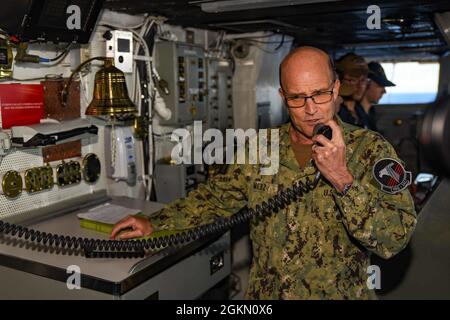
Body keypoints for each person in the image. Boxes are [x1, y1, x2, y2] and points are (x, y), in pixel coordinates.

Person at [111, 46, 417, 300]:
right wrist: (156, 223)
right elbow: (214, 200)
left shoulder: (370, 150)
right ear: (283, 97)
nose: (310, 109)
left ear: (336, 89)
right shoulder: (261, 148)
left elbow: (394, 239)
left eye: (320, 94)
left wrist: (343, 180)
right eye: (298, 98)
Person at [336, 53, 371, 129]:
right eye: (353, 79)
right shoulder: (335, 112)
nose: (360, 86)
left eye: (363, 80)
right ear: (339, 80)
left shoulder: (361, 111)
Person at [359, 62, 396, 131]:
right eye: (380, 85)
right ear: (366, 84)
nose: (384, 91)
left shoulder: (371, 113)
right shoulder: (354, 116)